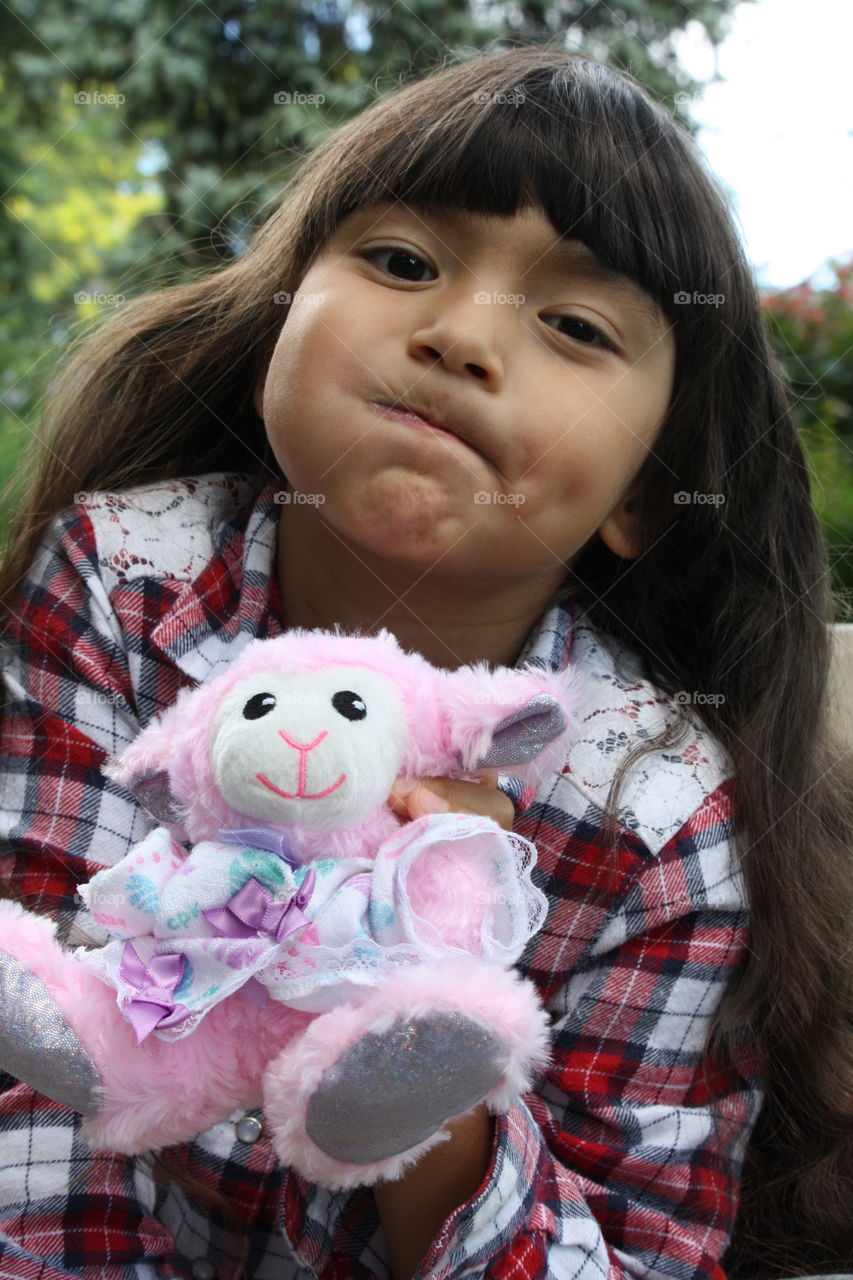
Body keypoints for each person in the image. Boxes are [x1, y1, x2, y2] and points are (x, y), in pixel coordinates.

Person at [0, 41, 851, 1280]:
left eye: (572, 324)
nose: (457, 335)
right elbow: (31, 1066)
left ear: (646, 491)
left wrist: (419, 1037)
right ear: (279, 318)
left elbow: (636, 1255)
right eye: (403, 262)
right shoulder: (122, 578)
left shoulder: (653, 810)